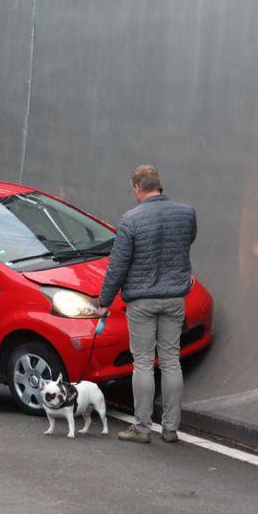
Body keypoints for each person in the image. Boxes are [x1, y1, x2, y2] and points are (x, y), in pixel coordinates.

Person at [97, 165, 197, 445]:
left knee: (142, 362)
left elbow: (118, 265)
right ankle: (170, 428)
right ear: (159, 185)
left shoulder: (131, 219)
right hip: (174, 298)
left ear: (137, 188)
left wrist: (104, 302)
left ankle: (142, 427)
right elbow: (185, 243)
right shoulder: (186, 213)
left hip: (142, 300)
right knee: (170, 361)